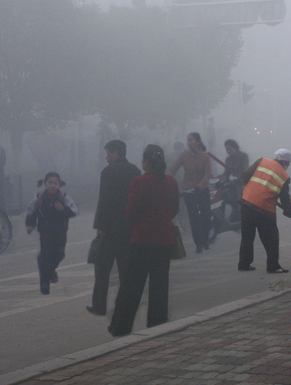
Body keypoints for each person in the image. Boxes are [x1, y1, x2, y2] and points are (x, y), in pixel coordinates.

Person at [108, 145, 179, 337]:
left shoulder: (139, 182)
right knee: (160, 285)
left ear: (146, 162)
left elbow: (130, 212)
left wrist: (141, 223)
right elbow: (174, 210)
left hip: (142, 239)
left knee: (131, 285)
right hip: (165, 240)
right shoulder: (171, 182)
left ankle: (120, 326)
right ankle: (157, 324)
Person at [87, 140, 141, 316]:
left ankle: (99, 306)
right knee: (126, 269)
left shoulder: (108, 172)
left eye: (108, 153)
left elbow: (105, 200)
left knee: (102, 269)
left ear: (116, 153)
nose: (106, 157)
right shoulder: (135, 171)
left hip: (111, 229)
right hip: (130, 227)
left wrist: (100, 226)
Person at [238, 148, 291, 273]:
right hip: (264, 210)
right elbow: (285, 198)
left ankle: (244, 263)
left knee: (247, 237)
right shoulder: (284, 176)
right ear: (286, 163)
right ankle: (273, 266)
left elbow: (244, 176)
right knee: (271, 239)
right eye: (288, 164)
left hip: (246, 204)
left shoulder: (261, 161)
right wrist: (288, 212)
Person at [25, 172, 78, 295]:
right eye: (50, 183)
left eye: (55, 183)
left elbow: (74, 211)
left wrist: (63, 210)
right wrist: (30, 225)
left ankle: (52, 269)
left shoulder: (63, 197)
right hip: (45, 232)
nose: (52, 186)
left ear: (59, 185)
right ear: (45, 183)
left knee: (59, 254)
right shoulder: (39, 197)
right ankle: (44, 284)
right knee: (46, 255)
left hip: (60, 232)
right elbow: (31, 211)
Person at [168, 132, 212, 253]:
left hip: (202, 190)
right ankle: (198, 243)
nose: (189, 142)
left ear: (197, 142)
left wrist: (200, 186)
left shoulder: (205, 156)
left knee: (206, 216)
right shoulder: (184, 156)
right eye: (188, 140)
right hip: (188, 190)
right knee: (194, 218)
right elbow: (173, 169)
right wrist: (166, 179)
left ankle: (205, 238)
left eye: (191, 140)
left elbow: (207, 174)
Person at [222, 139, 249, 222]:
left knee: (240, 200)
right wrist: (221, 180)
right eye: (227, 149)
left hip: (241, 182)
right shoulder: (228, 159)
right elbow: (226, 173)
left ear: (235, 148)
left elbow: (245, 170)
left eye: (230, 149)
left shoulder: (243, 156)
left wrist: (237, 177)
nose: (228, 151)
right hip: (231, 183)